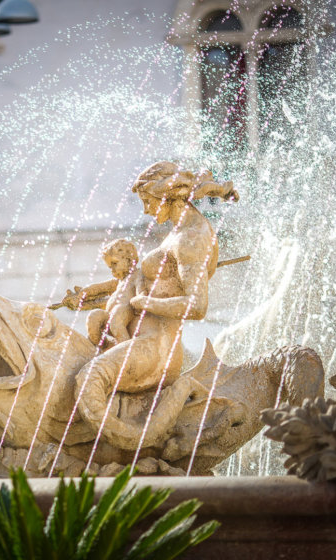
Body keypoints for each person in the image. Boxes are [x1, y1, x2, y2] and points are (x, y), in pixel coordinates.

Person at [69, 161, 238, 451]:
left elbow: (197, 306)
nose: (146, 210)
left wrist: (147, 302)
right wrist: (87, 301)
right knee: (69, 364)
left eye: (147, 201)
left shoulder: (191, 238)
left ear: (166, 195)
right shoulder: (179, 231)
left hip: (155, 349)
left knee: (86, 379)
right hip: (141, 342)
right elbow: (128, 285)